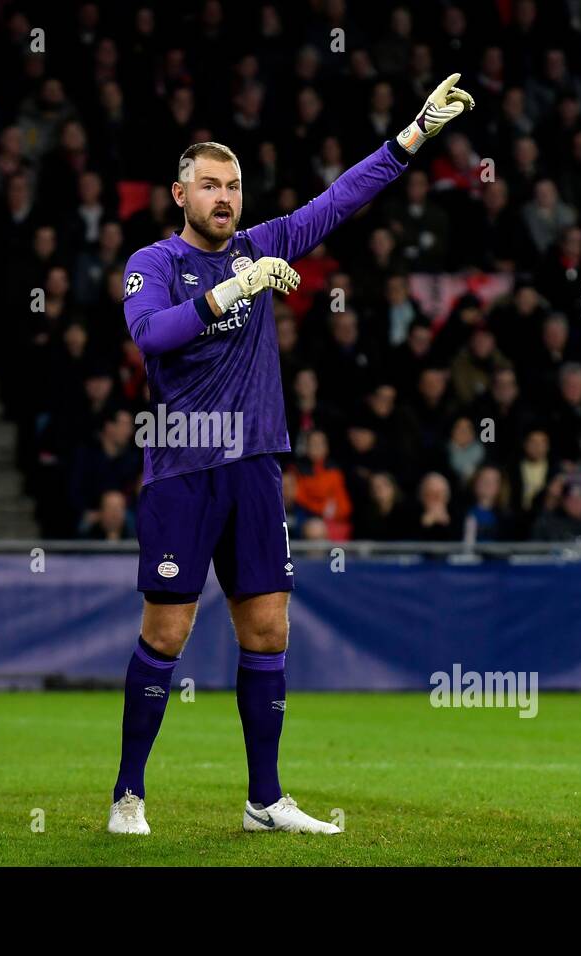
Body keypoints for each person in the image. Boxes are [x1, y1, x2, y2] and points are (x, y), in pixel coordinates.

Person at [108, 76, 475, 836]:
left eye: (233, 185)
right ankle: (128, 796)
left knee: (268, 631)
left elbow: (337, 203)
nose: (223, 196)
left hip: (255, 467)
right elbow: (151, 337)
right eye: (209, 184)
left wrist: (413, 136)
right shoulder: (153, 262)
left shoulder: (261, 243)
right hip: (182, 466)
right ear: (181, 194)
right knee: (167, 635)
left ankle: (265, 800)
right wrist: (233, 290)